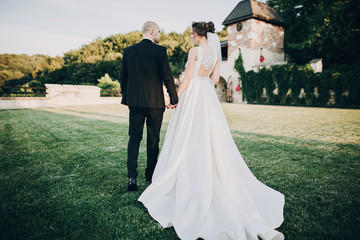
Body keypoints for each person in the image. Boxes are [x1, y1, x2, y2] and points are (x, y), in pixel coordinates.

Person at [138, 21, 285, 240]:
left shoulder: (194, 51)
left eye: (191, 34)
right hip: (207, 94)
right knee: (211, 135)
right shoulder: (215, 53)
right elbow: (216, 79)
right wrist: (204, 75)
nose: (189, 37)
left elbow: (187, 77)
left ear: (198, 34)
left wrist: (176, 96)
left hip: (194, 94)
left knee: (187, 135)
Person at [119, 21, 178, 191]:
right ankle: (151, 176)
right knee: (153, 139)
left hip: (135, 102)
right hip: (154, 103)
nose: (160, 34)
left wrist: (127, 95)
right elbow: (167, 75)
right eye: (159, 31)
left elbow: (124, 76)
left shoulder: (129, 51)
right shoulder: (160, 51)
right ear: (152, 31)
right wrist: (174, 98)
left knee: (134, 138)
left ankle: (132, 178)